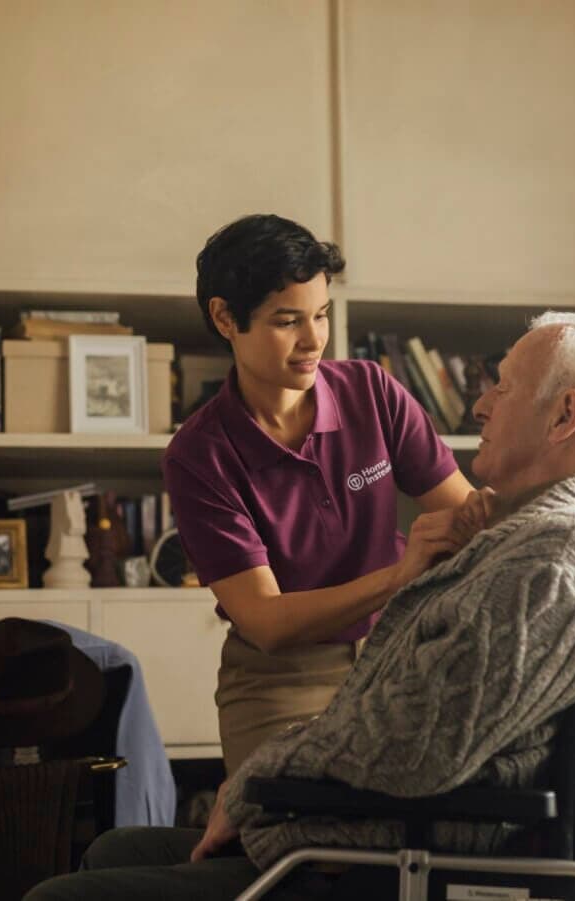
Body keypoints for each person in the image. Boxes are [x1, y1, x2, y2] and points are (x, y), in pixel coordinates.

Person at [26, 310, 575, 901]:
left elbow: (420, 746)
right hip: (419, 818)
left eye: (502, 386)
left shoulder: (555, 560)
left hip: (413, 854)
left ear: (565, 416)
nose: (480, 404)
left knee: (59, 895)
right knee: (115, 848)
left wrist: (258, 778)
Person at [162, 214, 482, 777]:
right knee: (284, 844)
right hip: (282, 678)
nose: (313, 341)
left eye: (321, 315)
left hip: (402, 651)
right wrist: (398, 576)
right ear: (224, 318)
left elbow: (468, 517)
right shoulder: (200, 455)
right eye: (287, 321)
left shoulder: (372, 392)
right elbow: (268, 621)